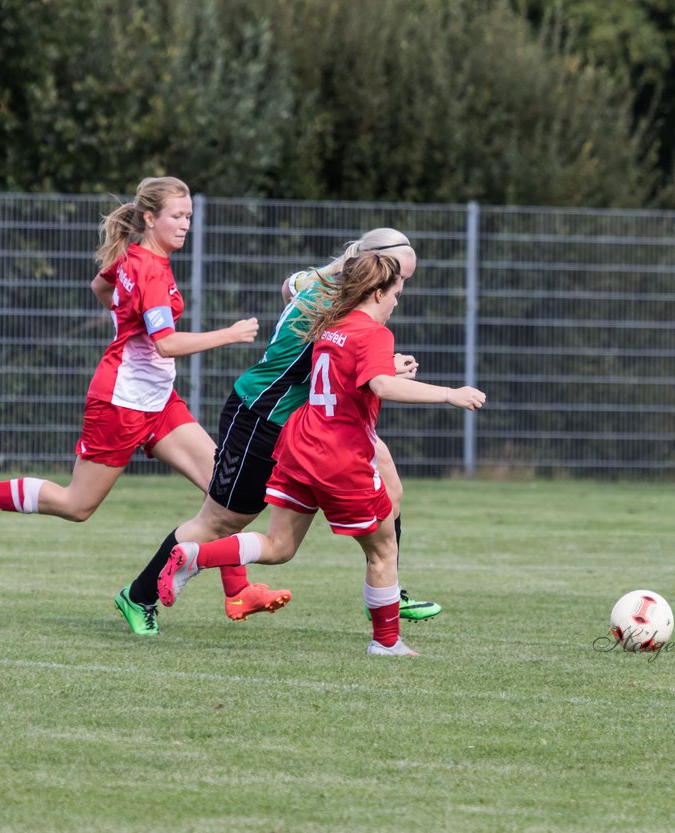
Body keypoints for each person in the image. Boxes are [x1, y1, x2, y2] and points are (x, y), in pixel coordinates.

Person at [113, 229, 442, 637]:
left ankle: (388, 585)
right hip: (261, 416)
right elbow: (344, 356)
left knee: (386, 474)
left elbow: (289, 287)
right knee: (220, 521)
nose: (399, 289)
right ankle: (140, 594)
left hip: (307, 422)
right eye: (398, 278)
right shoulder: (336, 303)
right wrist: (387, 368)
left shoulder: (323, 281)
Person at [158, 252, 486, 656]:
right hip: (341, 456)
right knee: (383, 550)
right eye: (395, 294)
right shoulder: (375, 334)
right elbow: (381, 386)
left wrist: (386, 367)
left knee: (279, 546)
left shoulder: (329, 326)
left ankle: (195, 555)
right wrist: (450, 394)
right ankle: (386, 643)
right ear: (377, 292)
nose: (397, 302)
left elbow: (349, 372)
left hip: (300, 444)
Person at [0, 176, 269, 560]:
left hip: (157, 400)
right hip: (120, 402)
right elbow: (165, 343)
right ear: (150, 218)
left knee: (222, 492)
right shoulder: (151, 271)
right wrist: (230, 333)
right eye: (177, 216)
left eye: (188, 216)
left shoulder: (137, 257)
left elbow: (100, 287)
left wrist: (125, 319)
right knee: (77, 505)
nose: (185, 224)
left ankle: (237, 592)